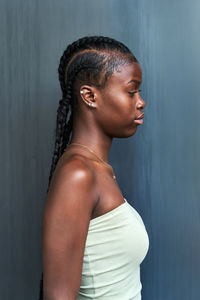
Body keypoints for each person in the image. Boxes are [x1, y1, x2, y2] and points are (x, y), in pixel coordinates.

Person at [39, 35, 149, 300]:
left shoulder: (98, 170)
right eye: (131, 90)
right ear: (89, 96)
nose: (141, 102)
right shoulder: (78, 175)